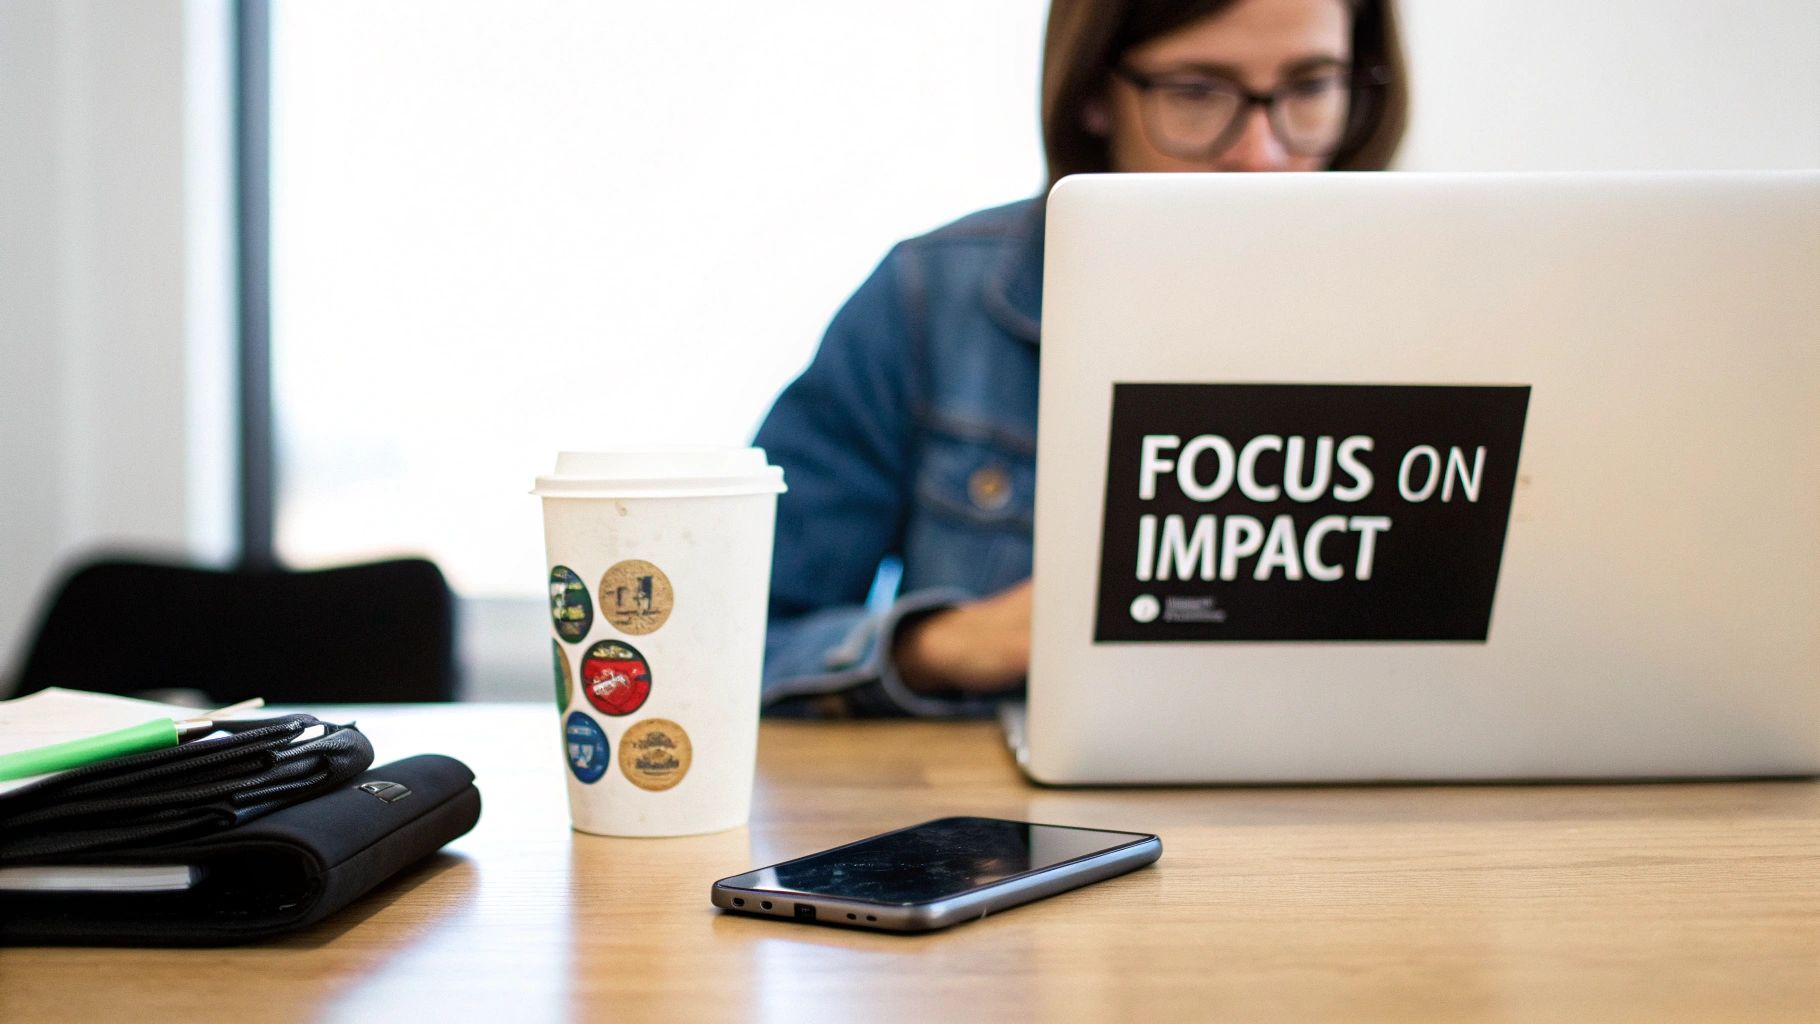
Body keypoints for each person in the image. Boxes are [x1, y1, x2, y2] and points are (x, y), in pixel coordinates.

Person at [755, 0, 1408, 716]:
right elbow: (730, 639)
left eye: (1311, 89)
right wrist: (940, 646)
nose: (1261, 153)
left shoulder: (1440, 306)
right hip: (1024, 810)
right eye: (1195, 93)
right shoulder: (929, 298)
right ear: (1095, 95)